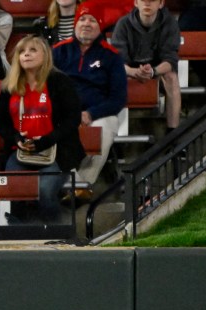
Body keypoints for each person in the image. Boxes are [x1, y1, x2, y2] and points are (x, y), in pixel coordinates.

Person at [0, 35, 85, 223]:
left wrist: (46, 140)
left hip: (56, 149)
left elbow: (73, 118)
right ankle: (17, 232)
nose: (26, 54)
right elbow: (0, 121)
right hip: (20, 150)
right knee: (13, 187)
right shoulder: (9, 86)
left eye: (33, 50)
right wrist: (16, 138)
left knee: (45, 190)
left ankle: (53, 231)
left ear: (45, 55)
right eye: (22, 51)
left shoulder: (60, 82)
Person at [52, 3, 128, 201]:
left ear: (100, 26)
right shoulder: (58, 51)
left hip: (98, 112)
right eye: (82, 19)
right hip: (64, 111)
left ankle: (82, 185)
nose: (86, 23)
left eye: (92, 20)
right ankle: (73, 184)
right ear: (75, 24)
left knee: (107, 125)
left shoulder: (111, 56)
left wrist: (90, 114)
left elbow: (118, 99)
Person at [111, 0, 181, 131]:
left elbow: (171, 60)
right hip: (129, 70)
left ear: (161, 4)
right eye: (143, 0)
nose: (147, 4)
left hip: (156, 70)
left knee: (171, 77)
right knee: (111, 77)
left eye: (152, 0)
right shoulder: (123, 24)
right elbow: (117, 62)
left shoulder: (169, 23)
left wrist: (153, 71)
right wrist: (133, 72)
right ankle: (114, 136)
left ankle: (173, 133)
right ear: (136, 2)